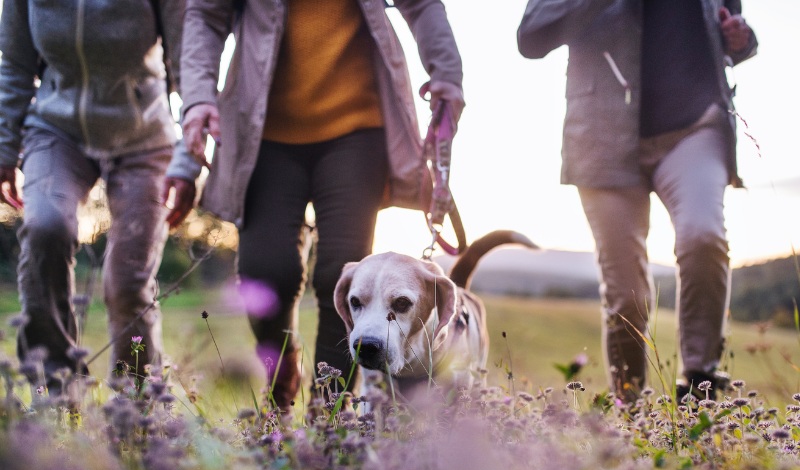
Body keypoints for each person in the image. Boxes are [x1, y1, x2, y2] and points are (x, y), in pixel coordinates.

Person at [176, 0, 464, 410]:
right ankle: (282, 370)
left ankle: (330, 416)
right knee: (266, 271)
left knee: (342, 274)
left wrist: (446, 73)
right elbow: (205, 13)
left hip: (357, 130)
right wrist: (197, 97)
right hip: (264, 132)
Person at [517, 1, 757, 398]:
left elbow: (729, 27)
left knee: (703, 235)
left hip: (695, 126)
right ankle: (631, 409)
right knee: (626, 295)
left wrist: (741, 39)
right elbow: (531, 36)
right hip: (601, 135)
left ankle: (699, 383)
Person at [0, 0, 201, 391]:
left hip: (144, 135)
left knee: (127, 279)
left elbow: (188, 64)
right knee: (45, 227)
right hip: (55, 127)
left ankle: (135, 404)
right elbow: (15, 64)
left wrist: (188, 159)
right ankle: (53, 391)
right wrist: (5, 148)